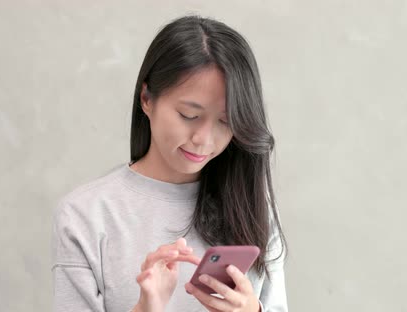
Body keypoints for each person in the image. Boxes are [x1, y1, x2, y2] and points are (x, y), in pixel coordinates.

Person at [51, 15, 288, 312]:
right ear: (147, 98)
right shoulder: (85, 215)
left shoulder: (254, 206)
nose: (203, 139)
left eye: (226, 122)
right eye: (189, 115)